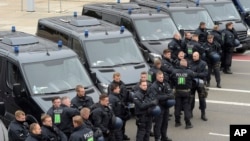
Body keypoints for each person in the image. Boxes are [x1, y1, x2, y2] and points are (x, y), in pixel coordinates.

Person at [171, 59, 196, 129]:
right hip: (186, 92)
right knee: (186, 108)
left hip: (178, 92)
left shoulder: (174, 72)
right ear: (186, 64)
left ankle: (177, 122)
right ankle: (188, 123)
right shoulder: (190, 72)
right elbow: (194, 79)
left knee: (177, 107)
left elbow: (171, 80)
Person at [149, 71, 174, 141]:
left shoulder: (165, 83)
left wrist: (166, 96)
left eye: (162, 77)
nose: (161, 78)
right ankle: (157, 138)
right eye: (160, 77)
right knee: (158, 124)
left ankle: (164, 137)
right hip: (158, 107)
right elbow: (157, 97)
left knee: (165, 123)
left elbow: (171, 93)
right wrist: (167, 96)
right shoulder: (154, 86)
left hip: (166, 106)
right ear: (157, 77)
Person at [108, 72, 130, 141]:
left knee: (123, 125)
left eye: (119, 78)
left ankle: (123, 135)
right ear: (114, 78)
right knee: (118, 127)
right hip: (118, 107)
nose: (118, 79)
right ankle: (120, 137)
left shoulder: (122, 85)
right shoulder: (111, 86)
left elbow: (125, 95)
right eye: (116, 78)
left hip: (122, 106)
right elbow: (110, 96)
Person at [189, 52, 208, 121]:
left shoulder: (203, 63)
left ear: (198, 56)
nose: (194, 57)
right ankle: (190, 112)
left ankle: (203, 113)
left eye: (195, 56)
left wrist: (196, 74)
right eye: (193, 56)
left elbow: (205, 73)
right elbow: (189, 73)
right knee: (191, 99)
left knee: (202, 99)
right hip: (192, 83)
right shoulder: (190, 63)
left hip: (201, 83)